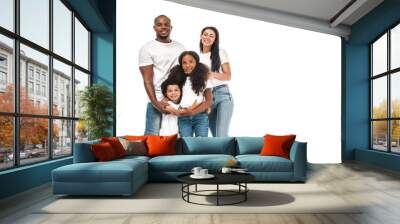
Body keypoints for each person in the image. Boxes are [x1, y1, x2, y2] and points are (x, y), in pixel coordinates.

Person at [138, 15, 185, 135]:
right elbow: (147, 80)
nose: (163, 27)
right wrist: (156, 103)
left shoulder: (180, 48)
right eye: (159, 25)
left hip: (177, 99)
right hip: (157, 99)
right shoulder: (147, 48)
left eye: (166, 24)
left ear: (171, 27)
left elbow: (184, 73)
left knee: (180, 137)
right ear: (154, 28)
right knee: (152, 137)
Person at [167, 51, 212, 137]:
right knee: (187, 143)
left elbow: (208, 101)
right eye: (184, 63)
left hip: (200, 117)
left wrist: (193, 112)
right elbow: (171, 95)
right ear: (181, 65)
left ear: (196, 63)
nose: (187, 65)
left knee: (202, 143)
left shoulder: (204, 79)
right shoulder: (178, 80)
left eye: (191, 62)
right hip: (183, 118)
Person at [199, 26, 233, 137]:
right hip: (206, 98)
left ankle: (231, 154)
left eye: (211, 35)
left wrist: (210, 74)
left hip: (222, 95)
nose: (207, 37)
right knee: (216, 138)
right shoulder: (196, 58)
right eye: (205, 34)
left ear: (215, 39)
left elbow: (228, 76)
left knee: (221, 136)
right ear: (201, 36)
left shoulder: (220, 52)